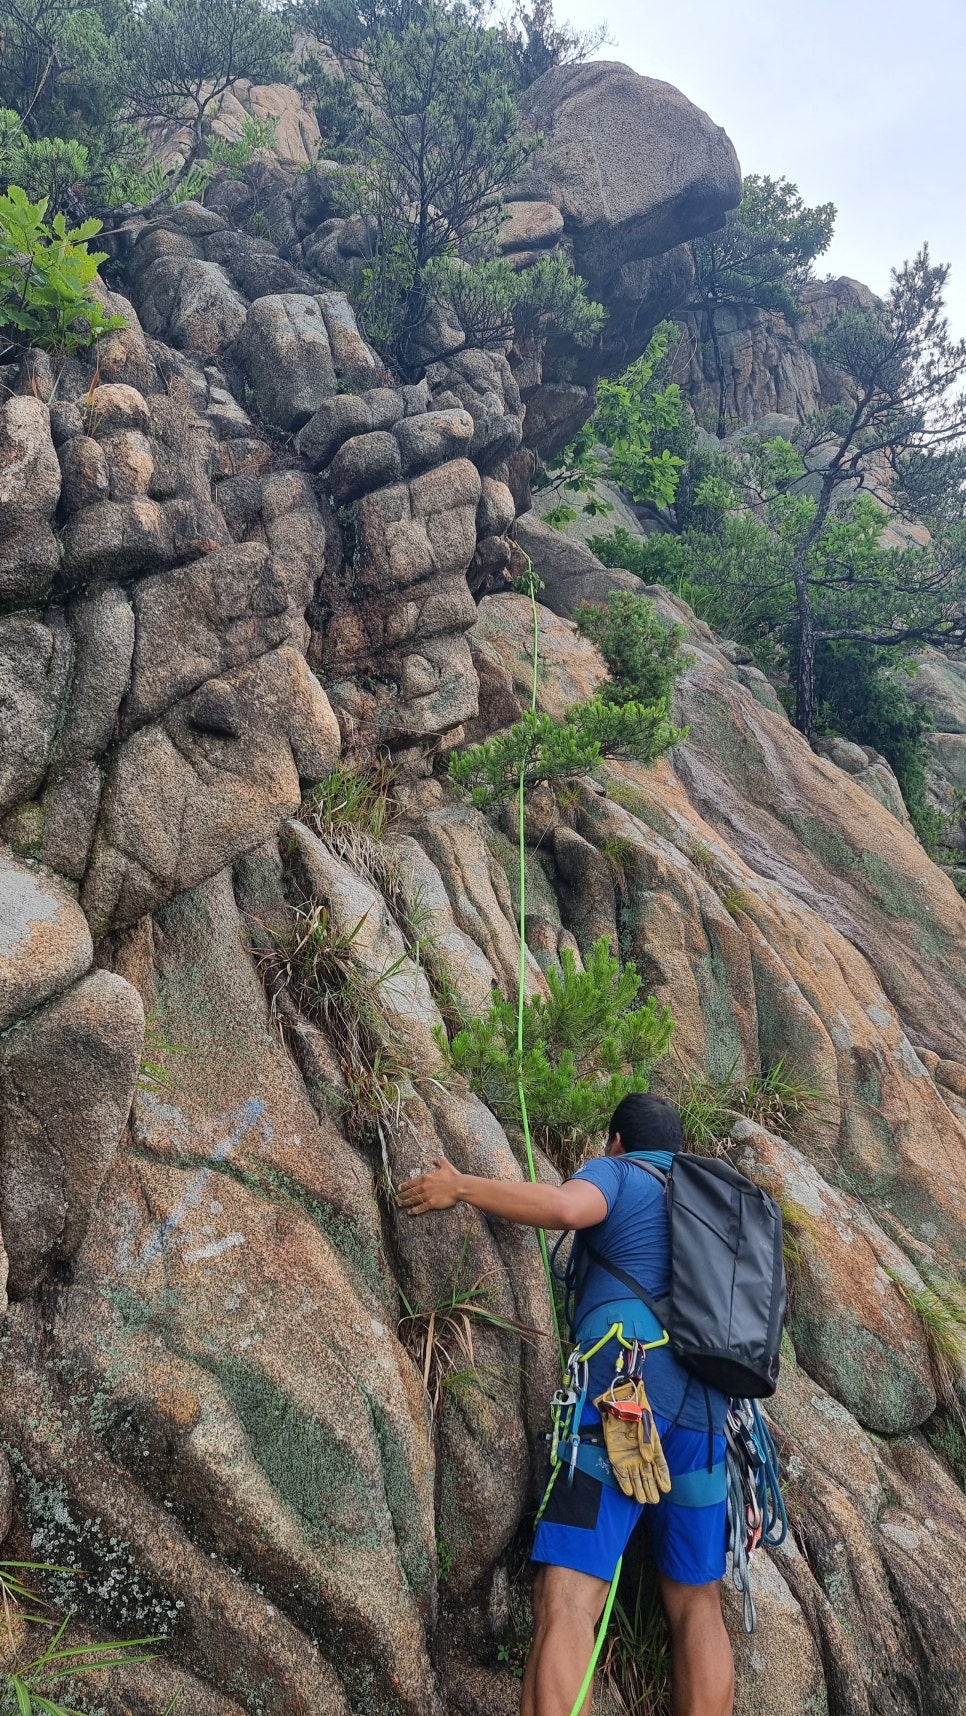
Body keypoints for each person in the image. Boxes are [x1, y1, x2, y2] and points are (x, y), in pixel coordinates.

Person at [399, 1092, 735, 1716]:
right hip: (710, 1421)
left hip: (627, 1400)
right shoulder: (710, 1211)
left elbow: (564, 1207)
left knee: (572, 1597)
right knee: (697, 1604)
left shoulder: (621, 1172)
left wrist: (462, 1187)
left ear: (615, 1141)